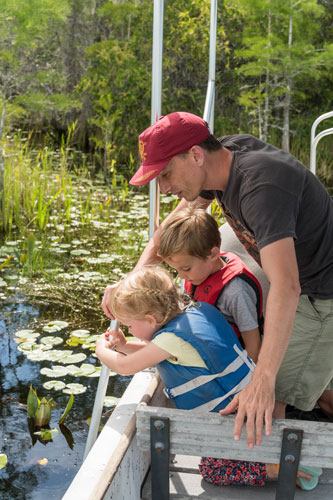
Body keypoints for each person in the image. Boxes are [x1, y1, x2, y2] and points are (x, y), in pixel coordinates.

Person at [101, 111, 333, 449]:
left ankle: (279, 470)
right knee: (313, 385)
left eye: (165, 174)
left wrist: (263, 382)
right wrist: (132, 279)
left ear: (195, 154)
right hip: (301, 284)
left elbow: (287, 286)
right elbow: (177, 221)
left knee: (275, 396)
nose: (164, 188)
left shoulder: (261, 186)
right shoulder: (222, 158)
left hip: (321, 294)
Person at [96, 265, 312, 488]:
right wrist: (122, 345)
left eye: (130, 325)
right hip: (247, 410)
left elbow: (124, 367)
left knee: (212, 469)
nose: (130, 331)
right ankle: (270, 460)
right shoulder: (194, 313)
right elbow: (149, 353)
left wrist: (102, 350)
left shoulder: (170, 340)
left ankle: (275, 469)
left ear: (151, 319)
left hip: (234, 422)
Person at [157, 206, 263, 362]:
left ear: (213, 254)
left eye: (185, 268)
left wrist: (247, 383)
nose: (181, 276)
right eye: (176, 269)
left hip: (230, 367)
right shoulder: (200, 273)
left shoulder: (235, 292)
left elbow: (253, 345)